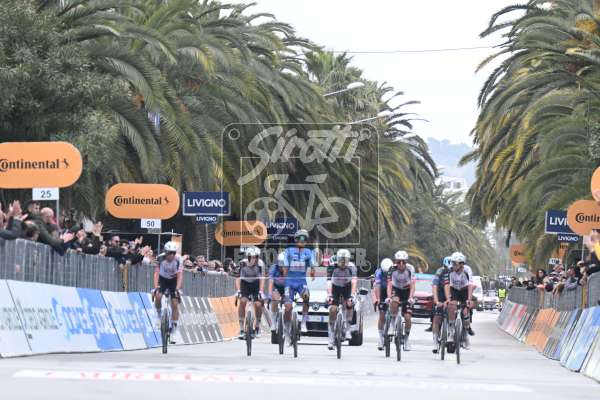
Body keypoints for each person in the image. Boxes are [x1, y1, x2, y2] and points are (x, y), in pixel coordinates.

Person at [282, 229, 316, 336]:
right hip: (289, 282)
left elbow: (312, 264)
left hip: (301, 282)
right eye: (300, 238)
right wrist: (284, 277)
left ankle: (304, 322)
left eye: (305, 239)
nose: (302, 240)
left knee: (306, 296)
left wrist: (312, 271)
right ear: (296, 239)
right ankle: (286, 326)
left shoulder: (309, 252)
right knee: (288, 306)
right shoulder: (288, 251)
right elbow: (285, 265)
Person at [326, 249, 358, 350]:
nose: (343, 263)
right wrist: (329, 295)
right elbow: (329, 282)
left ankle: (348, 329)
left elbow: (354, 281)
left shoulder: (352, 267)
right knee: (333, 310)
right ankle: (331, 338)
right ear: (338, 260)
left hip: (347, 287)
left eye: (346, 260)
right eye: (341, 260)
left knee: (349, 303)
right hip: (335, 288)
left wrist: (352, 295)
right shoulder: (332, 266)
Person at [153, 241, 183, 343]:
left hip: (173, 280)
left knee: (174, 303)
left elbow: (180, 276)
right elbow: (156, 273)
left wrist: (177, 288)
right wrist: (156, 286)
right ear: (165, 252)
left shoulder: (179, 259)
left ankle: (174, 329)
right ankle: (158, 315)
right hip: (163, 279)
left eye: (174, 253)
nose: (172, 255)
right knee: (158, 296)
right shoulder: (160, 258)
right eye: (170, 253)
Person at [386, 250, 415, 351]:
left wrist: (411, 297)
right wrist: (389, 297)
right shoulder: (392, 269)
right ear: (396, 262)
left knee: (407, 317)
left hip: (407, 291)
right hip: (396, 289)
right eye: (399, 262)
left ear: (406, 262)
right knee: (394, 301)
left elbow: (412, 285)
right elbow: (389, 284)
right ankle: (392, 323)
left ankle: (406, 339)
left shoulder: (410, 269)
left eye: (403, 262)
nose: (401, 264)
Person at [445, 251, 473, 350]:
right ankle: (451, 331)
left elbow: (470, 285)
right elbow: (447, 285)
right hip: (454, 290)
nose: (452, 265)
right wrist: (448, 299)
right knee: (451, 306)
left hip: (464, 290)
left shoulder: (467, 270)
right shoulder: (450, 270)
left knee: (465, 312)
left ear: (461, 264)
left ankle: (465, 335)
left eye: (454, 263)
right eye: (452, 262)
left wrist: (469, 299)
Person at [235, 246, 265, 338]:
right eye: (252, 257)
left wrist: (261, 291)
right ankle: (241, 328)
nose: (254, 259)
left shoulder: (260, 264)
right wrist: (238, 290)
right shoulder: (242, 263)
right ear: (247, 257)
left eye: (256, 257)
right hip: (245, 283)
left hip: (256, 283)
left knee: (258, 304)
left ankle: (257, 327)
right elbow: (238, 278)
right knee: (243, 301)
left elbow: (262, 279)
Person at [431, 256, 452, 353]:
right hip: (440, 292)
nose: (449, 271)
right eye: (447, 268)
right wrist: (436, 301)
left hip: (452, 293)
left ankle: (455, 332)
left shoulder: (456, 272)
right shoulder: (439, 271)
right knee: (437, 317)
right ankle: (435, 340)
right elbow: (434, 286)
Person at [374, 258, 393, 350]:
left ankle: (393, 325)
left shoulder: (394, 271)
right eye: (385, 273)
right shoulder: (378, 272)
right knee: (382, 315)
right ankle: (381, 338)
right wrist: (378, 299)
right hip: (382, 290)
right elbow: (377, 286)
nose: (386, 274)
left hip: (392, 290)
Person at [268, 252, 287, 333]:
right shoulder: (273, 268)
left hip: (286, 287)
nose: (282, 267)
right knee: (274, 299)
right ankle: (273, 323)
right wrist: (270, 294)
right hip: (277, 287)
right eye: (280, 265)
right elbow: (271, 282)